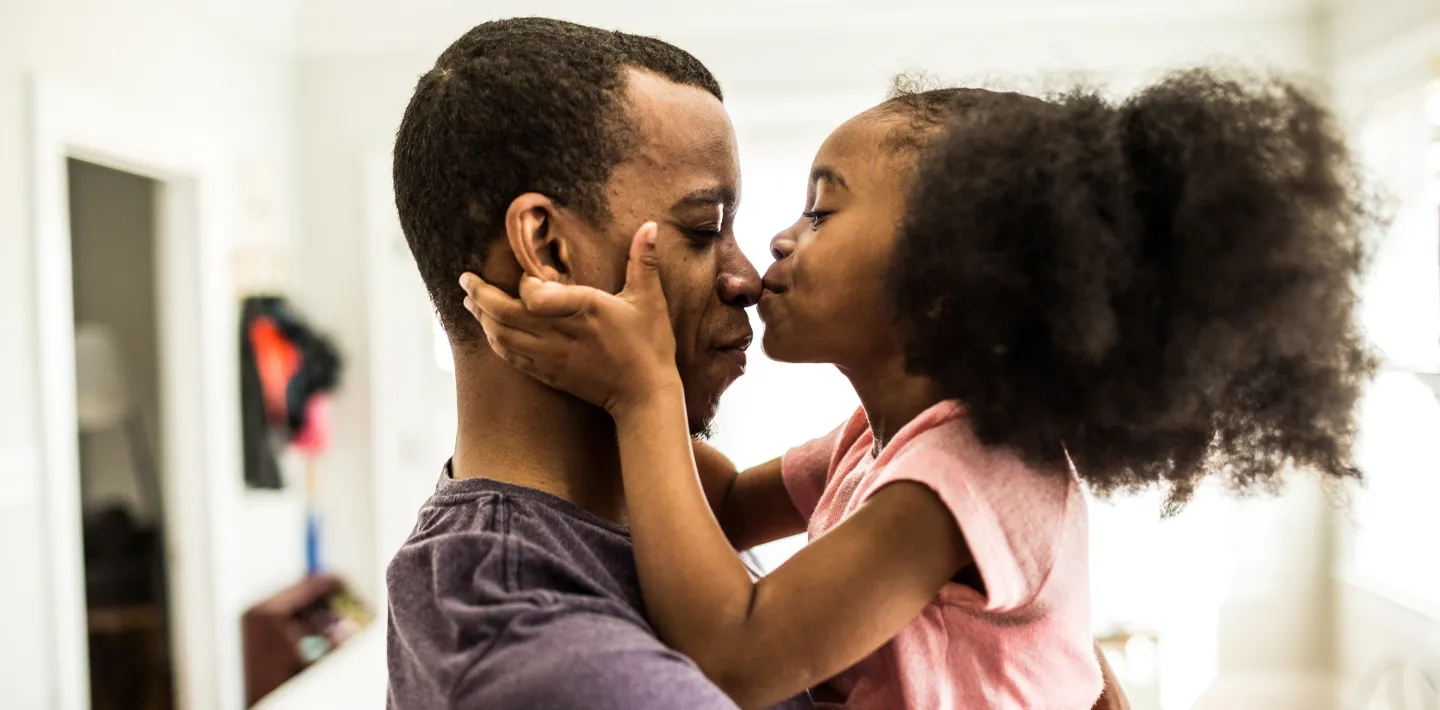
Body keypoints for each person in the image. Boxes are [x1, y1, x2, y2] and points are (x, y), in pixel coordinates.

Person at [461, 70, 1377, 709]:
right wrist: (611, 360)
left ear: (948, 278)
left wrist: (646, 393)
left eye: (822, 209)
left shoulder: (960, 478)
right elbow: (728, 504)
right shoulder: (877, 439)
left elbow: (737, 654)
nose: (777, 241)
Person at [384, 17, 811, 710]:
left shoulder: (656, 495)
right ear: (549, 249)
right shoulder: (552, 656)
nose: (747, 278)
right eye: (704, 229)